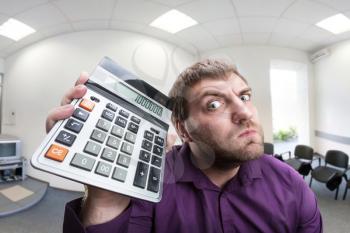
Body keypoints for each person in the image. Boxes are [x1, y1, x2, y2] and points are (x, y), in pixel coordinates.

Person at [46, 59, 322, 233]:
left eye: (245, 96)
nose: (245, 112)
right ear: (182, 129)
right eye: (213, 104)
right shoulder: (149, 185)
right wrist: (104, 195)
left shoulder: (292, 184)